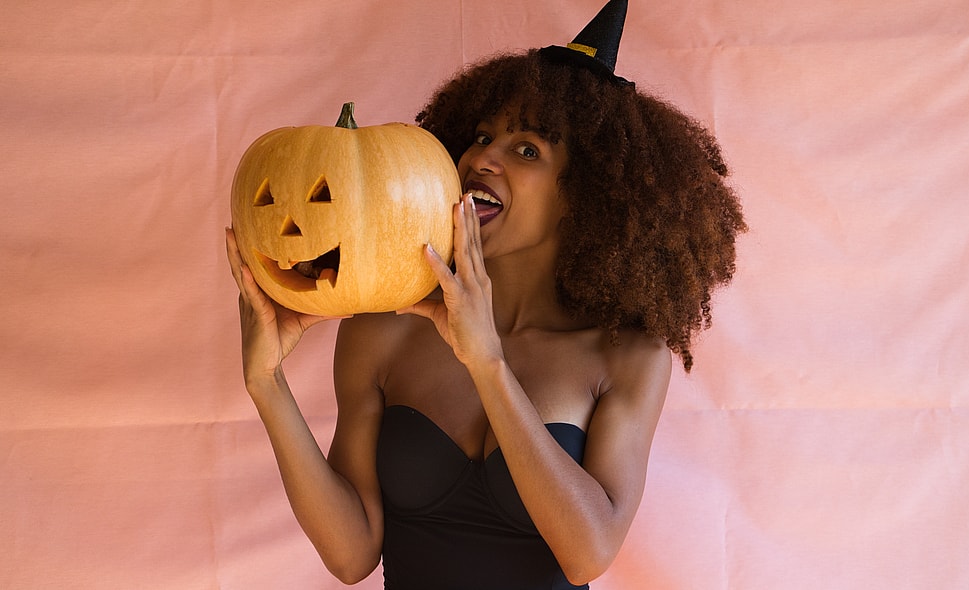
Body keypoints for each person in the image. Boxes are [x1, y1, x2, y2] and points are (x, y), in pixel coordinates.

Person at [224, 1, 744, 588]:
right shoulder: (383, 329)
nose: (482, 159)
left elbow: (587, 551)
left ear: (588, 193)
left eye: (527, 151)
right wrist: (266, 383)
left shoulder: (627, 354)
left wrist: (487, 362)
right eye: (481, 136)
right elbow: (352, 555)